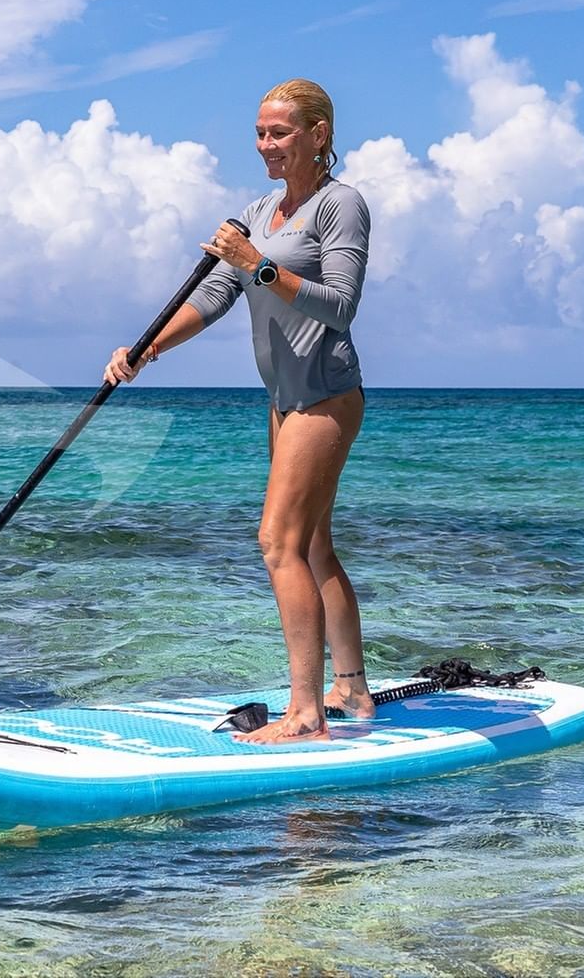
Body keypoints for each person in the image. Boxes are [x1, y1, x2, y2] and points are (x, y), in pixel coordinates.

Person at [104, 78, 371, 744]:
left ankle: (305, 713)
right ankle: (350, 687)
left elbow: (339, 306)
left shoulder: (340, 205)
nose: (266, 144)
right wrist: (146, 349)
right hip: (284, 401)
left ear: (318, 134)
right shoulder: (258, 211)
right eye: (259, 133)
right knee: (312, 545)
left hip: (326, 397)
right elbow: (214, 297)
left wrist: (257, 263)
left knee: (277, 542)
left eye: (280, 132)